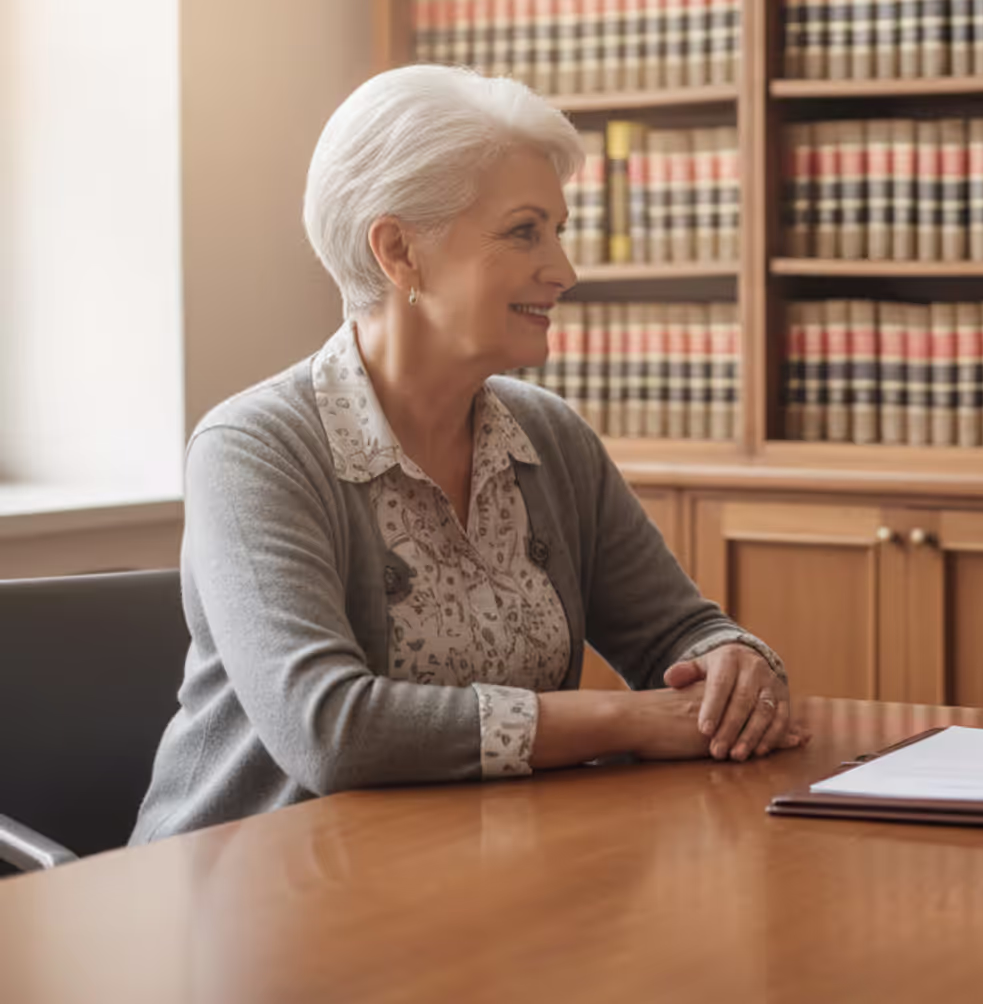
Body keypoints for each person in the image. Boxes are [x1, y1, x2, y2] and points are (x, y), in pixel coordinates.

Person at [134, 66, 804, 843]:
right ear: (399, 252)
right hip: (248, 895)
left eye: (558, 229)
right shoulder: (253, 451)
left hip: (476, 879)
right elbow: (332, 730)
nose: (564, 269)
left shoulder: (551, 438)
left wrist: (733, 666)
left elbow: (676, 635)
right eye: (525, 231)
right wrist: (627, 718)